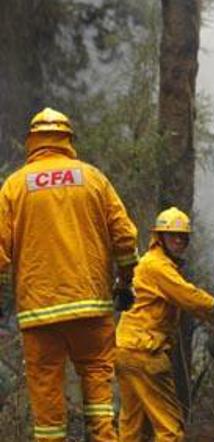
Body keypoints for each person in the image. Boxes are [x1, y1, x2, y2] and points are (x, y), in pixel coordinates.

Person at [0, 107, 139, 441]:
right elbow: (125, 237)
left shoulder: (15, 187)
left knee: (46, 394)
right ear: (67, 140)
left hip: (39, 312)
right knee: (97, 382)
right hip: (91, 307)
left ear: (31, 141)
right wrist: (125, 282)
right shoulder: (92, 179)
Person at [115, 207, 214, 441]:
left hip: (126, 351)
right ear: (160, 237)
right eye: (173, 236)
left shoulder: (149, 263)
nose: (180, 241)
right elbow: (190, 297)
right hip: (145, 353)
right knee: (169, 428)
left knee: (132, 428)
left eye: (184, 237)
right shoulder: (158, 267)